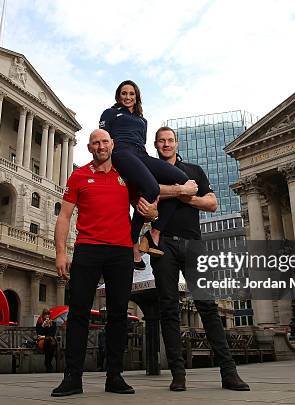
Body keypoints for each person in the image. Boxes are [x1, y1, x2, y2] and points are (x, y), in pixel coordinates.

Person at [51, 129, 157, 397]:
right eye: (96, 142)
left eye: (105, 142)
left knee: (119, 314)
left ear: (112, 145)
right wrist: (60, 252)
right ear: (89, 148)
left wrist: (153, 212)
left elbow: (146, 207)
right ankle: (72, 378)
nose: (101, 146)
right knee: (78, 313)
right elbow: (64, 217)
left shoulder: (126, 176)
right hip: (88, 249)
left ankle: (115, 376)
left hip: (121, 252)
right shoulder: (78, 176)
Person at [148, 126, 250, 392]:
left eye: (170, 140)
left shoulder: (194, 170)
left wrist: (185, 195)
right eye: (162, 141)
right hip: (163, 244)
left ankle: (229, 373)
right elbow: (147, 202)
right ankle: (178, 375)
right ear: (156, 145)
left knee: (208, 306)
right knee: (169, 308)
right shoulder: (149, 171)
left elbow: (212, 204)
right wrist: (178, 191)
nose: (167, 144)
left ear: (176, 144)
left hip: (193, 243)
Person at [99, 80, 197, 267]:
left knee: (183, 180)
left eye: (131, 94)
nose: (127, 97)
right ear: (118, 96)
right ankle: (132, 241)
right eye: (124, 93)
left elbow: (141, 143)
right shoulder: (110, 113)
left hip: (141, 154)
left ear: (136, 97)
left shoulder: (142, 120)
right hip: (121, 152)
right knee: (151, 187)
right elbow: (104, 140)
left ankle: (154, 232)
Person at [36, 308, 57, 372]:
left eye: (48, 314)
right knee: (48, 343)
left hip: (50, 340)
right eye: (45, 314)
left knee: (50, 343)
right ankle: (48, 364)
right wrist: (43, 326)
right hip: (43, 341)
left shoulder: (53, 323)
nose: (47, 316)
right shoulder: (40, 323)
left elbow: (52, 334)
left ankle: (47, 363)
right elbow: (39, 333)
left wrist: (49, 326)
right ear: (43, 315)